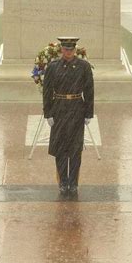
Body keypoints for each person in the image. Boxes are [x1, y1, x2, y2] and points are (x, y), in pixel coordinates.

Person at [43, 37, 94, 197]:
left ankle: (73, 183)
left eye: (71, 49)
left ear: (75, 50)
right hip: (59, 109)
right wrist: (48, 113)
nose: (68, 52)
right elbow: (47, 92)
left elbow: (89, 90)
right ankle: (63, 182)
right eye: (65, 49)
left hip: (77, 109)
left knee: (75, 148)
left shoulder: (84, 67)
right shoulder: (52, 67)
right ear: (61, 50)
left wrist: (88, 113)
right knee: (60, 148)